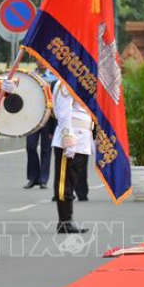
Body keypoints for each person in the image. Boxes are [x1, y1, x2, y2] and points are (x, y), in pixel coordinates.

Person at [51, 79, 92, 234]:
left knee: (72, 180)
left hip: (82, 140)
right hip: (70, 140)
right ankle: (64, 221)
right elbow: (63, 111)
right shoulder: (66, 83)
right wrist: (67, 137)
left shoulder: (82, 82)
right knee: (64, 182)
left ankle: (68, 219)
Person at [24, 61, 57, 190]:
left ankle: (43, 179)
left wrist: (54, 125)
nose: (42, 62)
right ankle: (33, 177)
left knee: (46, 149)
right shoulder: (31, 77)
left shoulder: (54, 78)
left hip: (48, 117)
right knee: (30, 147)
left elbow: (56, 103)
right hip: (32, 118)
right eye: (39, 59)